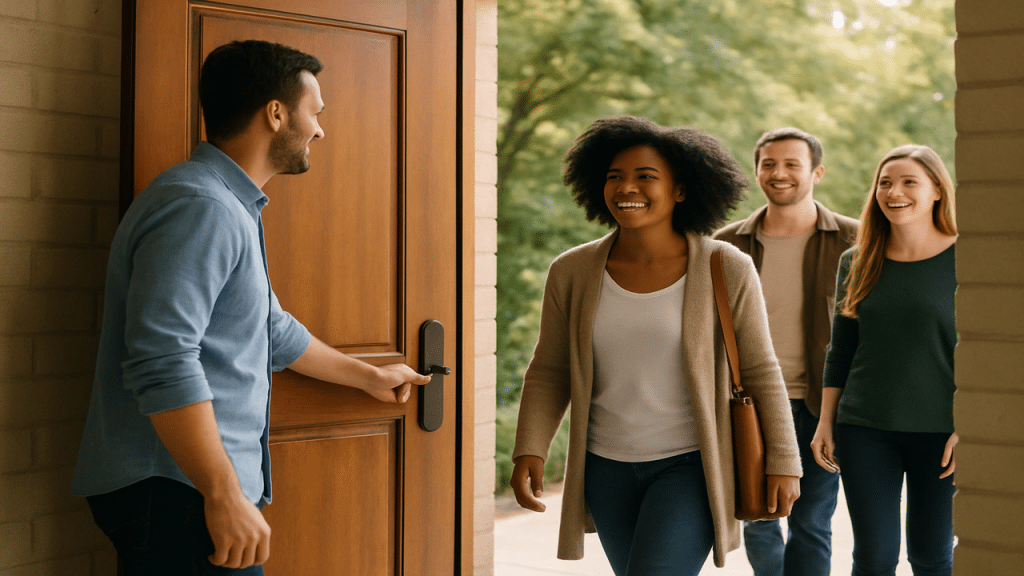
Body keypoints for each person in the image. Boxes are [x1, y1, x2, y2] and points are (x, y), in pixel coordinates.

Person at [72, 40, 430, 575]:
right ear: (277, 113)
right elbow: (162, 356)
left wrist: (366, 377)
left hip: (187, 485)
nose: (320, 130)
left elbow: (270, 328)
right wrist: (222, 494)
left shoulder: (224, 204)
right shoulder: (201, 207)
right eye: (316, 112)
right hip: (176, 487)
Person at [509, 115, 803, 576]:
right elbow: (550, 368)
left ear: (681, 190)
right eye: (615, 177)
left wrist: (785, 461)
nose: (627, 188)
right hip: (605, 468)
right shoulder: (572, 271)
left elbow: (762, 369)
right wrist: (530, 447)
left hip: (691, 466)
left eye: (646, 177)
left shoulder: (726, 266)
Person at [714, 127, 858, 576]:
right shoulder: (726, 245)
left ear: (816, 172)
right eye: (769, 164)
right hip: (749, 405)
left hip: (824, 405)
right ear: (757, 171)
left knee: (812, 521)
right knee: (759, 516)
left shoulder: (855, 241)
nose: (779, 174)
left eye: (792, 164)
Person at [811, 145, 958, 575]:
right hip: (865, 429)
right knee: (873, 557)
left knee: (932, 558)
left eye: (910, 182)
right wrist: (825, 422)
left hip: (943, 433)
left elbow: (992, 351)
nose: (894, 192)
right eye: (885, 183)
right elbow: (841, 348)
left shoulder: (968, 259)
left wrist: (973, 426)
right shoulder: (856, 261)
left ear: (936, 190)